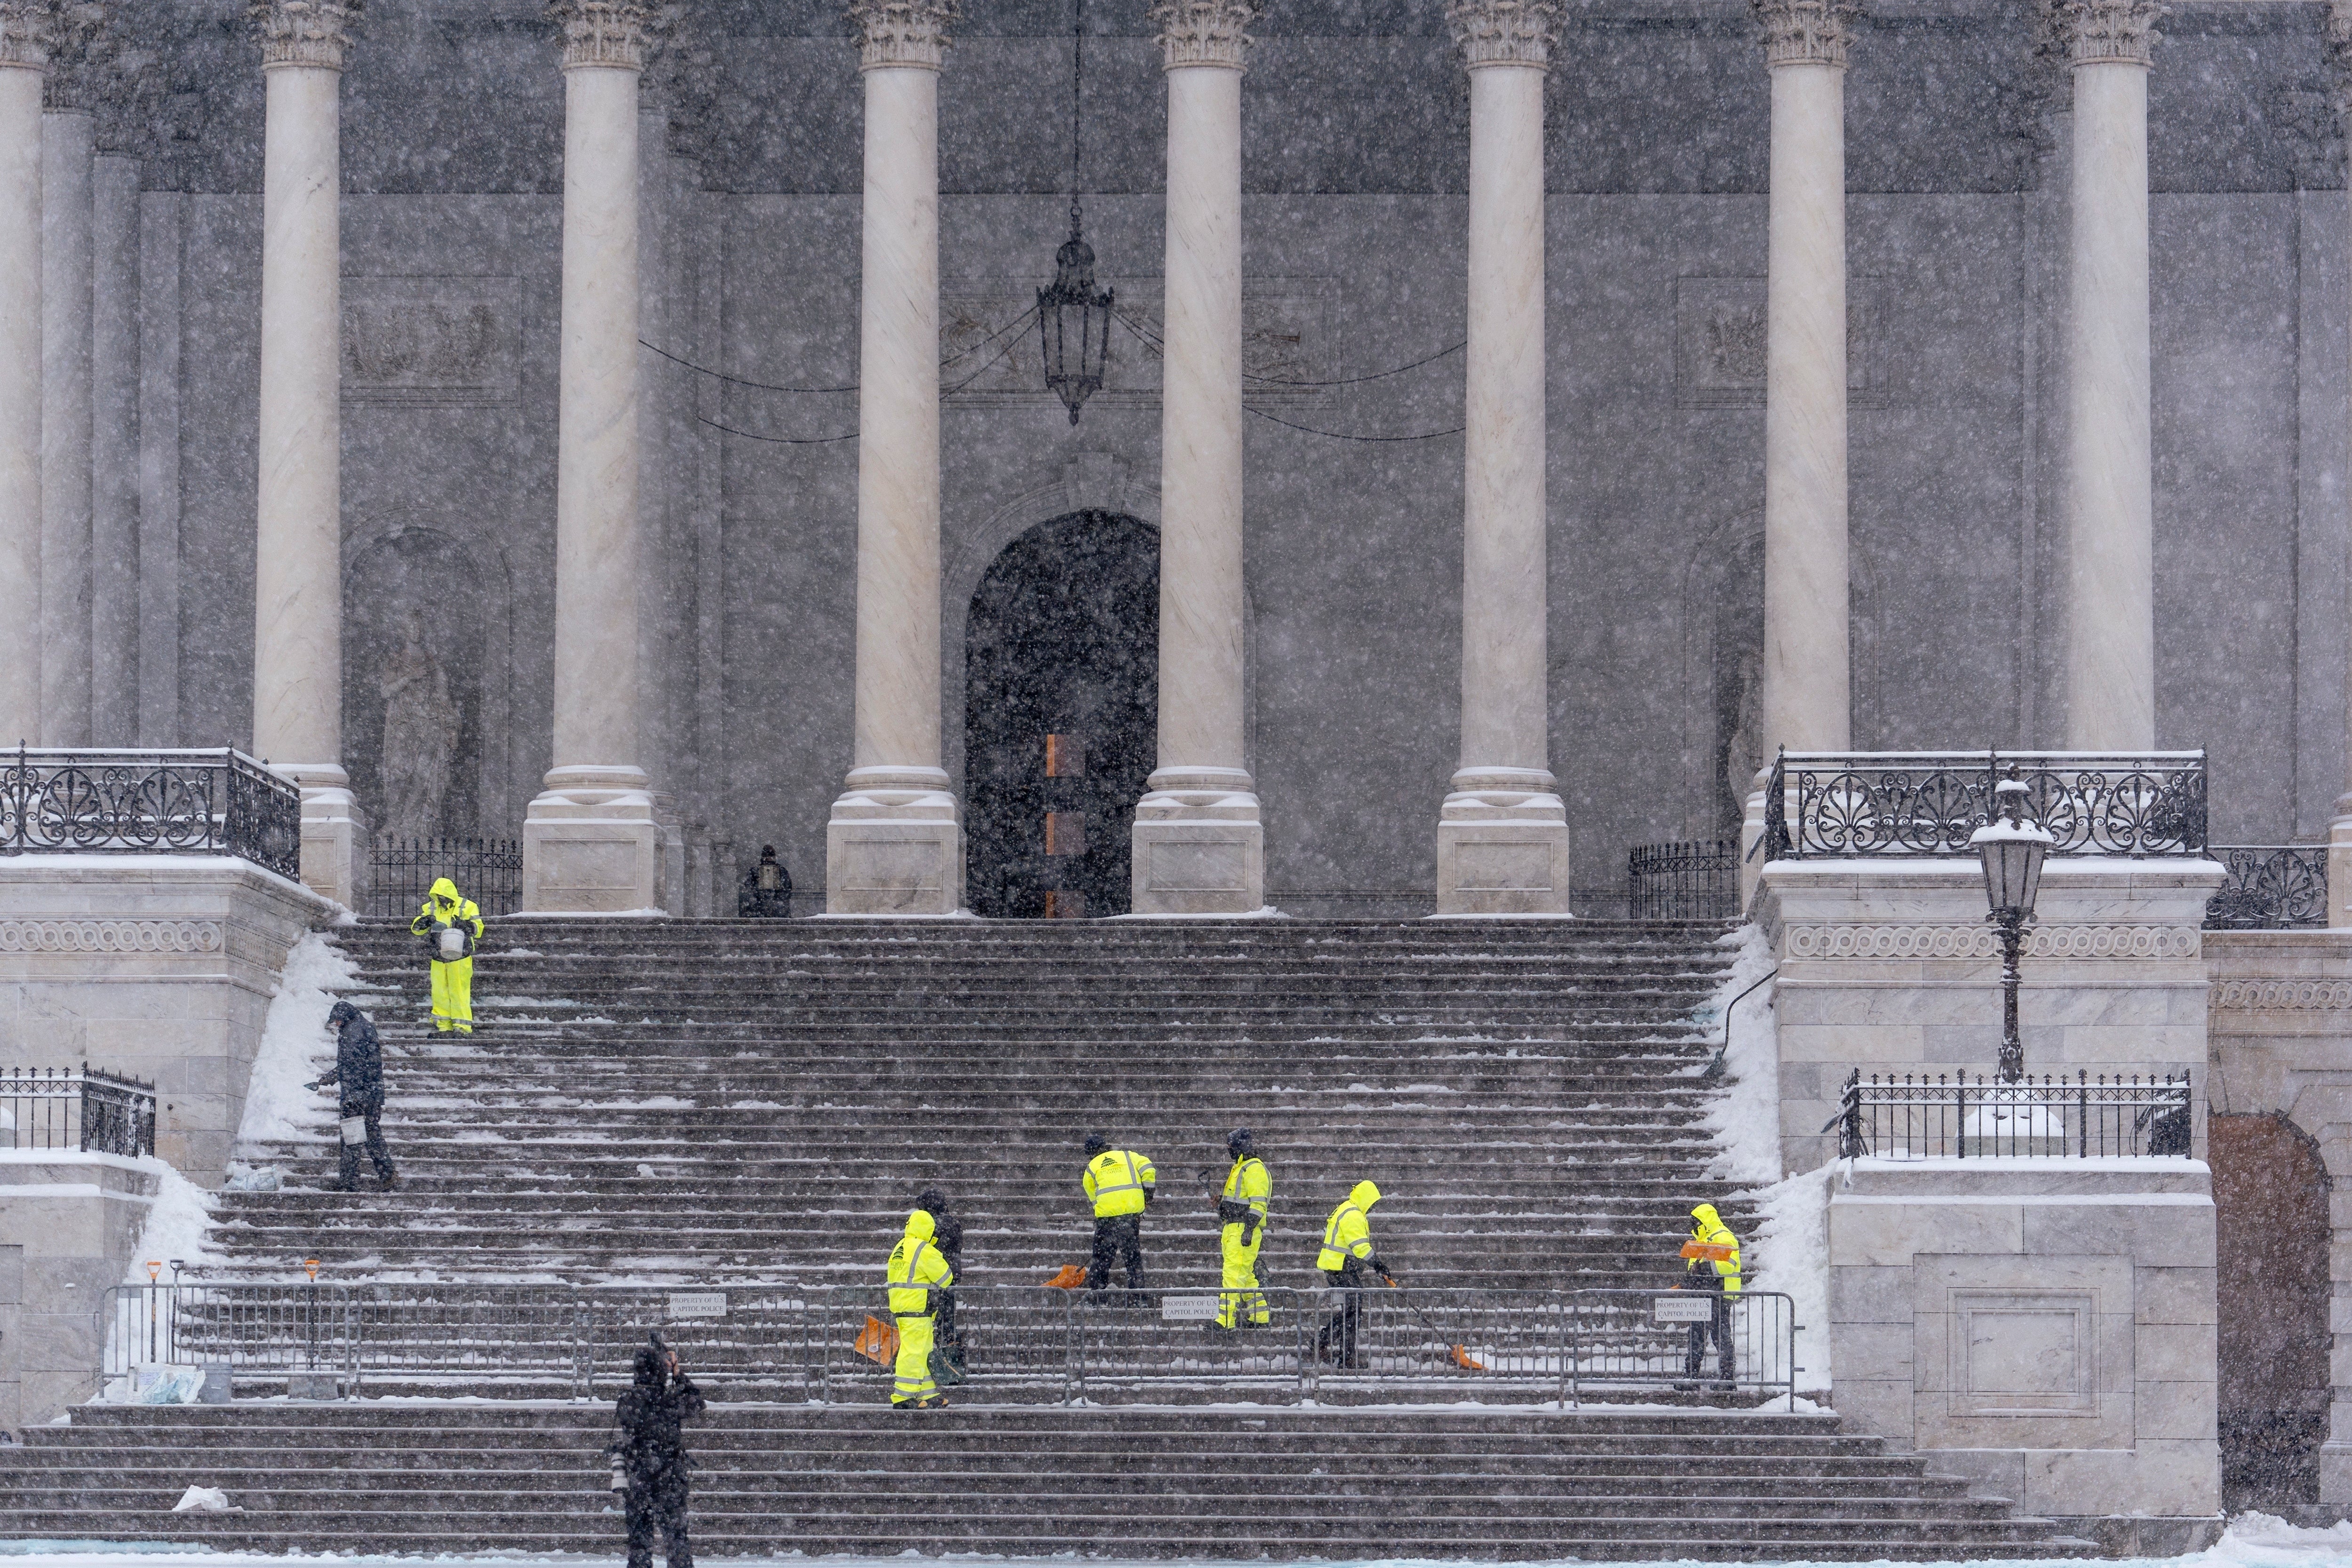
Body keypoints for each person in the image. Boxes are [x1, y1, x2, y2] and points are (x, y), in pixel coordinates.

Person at [611, 1336, 704, 1568]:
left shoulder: (627, 1401)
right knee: (676, 1540)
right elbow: (697, 1403)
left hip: (637, 1478)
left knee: (639, 1542)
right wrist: (677, 1373)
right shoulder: (669, 1401)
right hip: (670, 1479)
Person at [309, 1000, 397, 1192]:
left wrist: (345, 1092)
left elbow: (350, 1066)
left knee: (352, 1139)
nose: (338, 1024)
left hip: (355, 1096)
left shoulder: (350, 1034)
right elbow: (364, 1063)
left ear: (345, 1018)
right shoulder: (367, 1027)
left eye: (339, 1021)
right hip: (372, 1094)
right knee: (373, 1136)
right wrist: (328, 1079)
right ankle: (387, 1173)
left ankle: (349, 1182)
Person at [1313, 1180, 1391, 1369]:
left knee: (1351, 1313)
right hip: (1342, 1269)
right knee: (1353, 1314)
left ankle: (1327, 1344)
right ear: (1366, 1198)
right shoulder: (1353, 1214)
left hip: (1338, 1268)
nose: (1372, 1208)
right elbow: (1360, 1247)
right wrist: (1379, 1265)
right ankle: (1341, 1354)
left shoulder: (1346, 1209)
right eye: (1372, 1203)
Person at [887, 1208, 954, 1409]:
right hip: (917, 1309)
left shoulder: (901, 1246)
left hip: (906, 1308)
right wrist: (935, 1249)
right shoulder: (923, 1249)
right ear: (928, 1230)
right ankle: (903, 1397)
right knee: (913, 1353)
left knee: (923, 1353)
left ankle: (929, 1393)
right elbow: (945, 1278)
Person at [1081, 1134, 1156, 1299]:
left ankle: (1097, 1297)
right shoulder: (1128, 1156)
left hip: (1107, 1221)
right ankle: (1138, 1298)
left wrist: (1102, 1210)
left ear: (1091, 1153)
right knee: (1133, 1260)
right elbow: (1149, 1169)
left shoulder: (1092, 1166)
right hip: (1129, 1219)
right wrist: (1147, 1196)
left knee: (1101, 1260)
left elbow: (1091, 1192)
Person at [409, 876, 483, 1034]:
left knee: (459, 991)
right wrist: (422, 922)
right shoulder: (431, 907)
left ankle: (462, 1027)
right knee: (440, 992)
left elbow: (479, 929)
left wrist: (467, 926)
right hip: (438, 955)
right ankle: (443, 1026)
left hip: (460, 955)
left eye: (444, 897)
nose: (441, 901)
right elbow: (417, 929)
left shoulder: (467, 906)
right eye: (439, 897)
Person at [1681, 1202, 1743, 1390]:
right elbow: (1696, 1269)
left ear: (1705, 1221)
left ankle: (1727, 1380)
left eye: (1696, 1222)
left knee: (1720, 1337)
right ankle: (1691, 1378)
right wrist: (1690, 1280)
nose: (1693, 1226)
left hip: (1719, 1295)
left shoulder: (1723, 1236)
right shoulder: (1702, 1241)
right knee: (1697, 1337)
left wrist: (1703, 1268)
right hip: (1703, 1295)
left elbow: (1728, 1265)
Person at [1214, 1128, 1271, 1329]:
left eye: (1231, 1147)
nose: (1229, 1150)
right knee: (1245, 1277)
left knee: (1232, 1276)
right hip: (1233, 1228)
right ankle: (1260, 1316)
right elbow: (1239, 1200)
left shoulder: (1253, 1168)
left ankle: (1224, 1322)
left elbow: (1258, 1204)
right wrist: (1222, 1204)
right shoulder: (1240, 1167)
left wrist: (1248, 1230)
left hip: (1242, 1229)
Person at [915, 1186, 965, 1377]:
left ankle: (945, 1367)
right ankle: (948, 1365)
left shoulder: (939, 1226)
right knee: (947, 1321)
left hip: (939, 1277)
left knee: (941, 1321)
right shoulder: (952, 1223)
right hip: (947, 1277)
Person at [738, 845, 792, 918]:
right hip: (776, 910)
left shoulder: (755, 871)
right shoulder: (782, 871)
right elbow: (787, 889)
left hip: (759, 910)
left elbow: (748, 889)